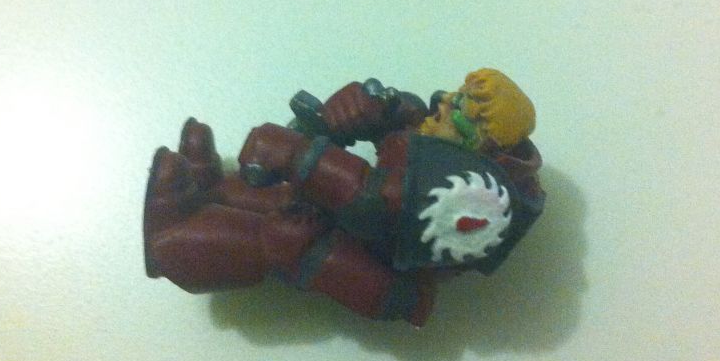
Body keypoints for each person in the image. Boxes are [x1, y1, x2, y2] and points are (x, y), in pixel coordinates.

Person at [144, 69, 544, 327]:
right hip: (353, 223)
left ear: (482, 144)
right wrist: (373, 107)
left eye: (458, 110)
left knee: (283, 238)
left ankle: (171, 239)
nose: (443, 104)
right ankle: (207, 186)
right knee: (285, 198)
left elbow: (376, 203)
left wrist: (299, 155)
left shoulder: (478, 197)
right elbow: (408, 119)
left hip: (380, 272)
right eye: (455, 95)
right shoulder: (445, 142)